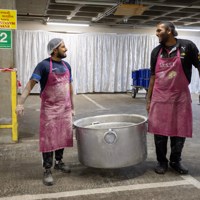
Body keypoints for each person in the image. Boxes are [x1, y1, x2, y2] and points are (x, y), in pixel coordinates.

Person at [16, 38, 74, 186]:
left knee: (62, 136)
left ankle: (59, 162)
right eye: (63, 46)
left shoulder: (67, 65)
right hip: (50, 110)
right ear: (54, 50)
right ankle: (47, 169)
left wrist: (72, 106)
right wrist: (20, 103)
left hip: (65, 108)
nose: (66, 49)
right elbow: (30, 85)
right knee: (48, 140)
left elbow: (70, 88)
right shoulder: (43, 65)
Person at [146, 22, 200, 175]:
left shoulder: (188, 46)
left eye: (159, 30)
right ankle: (162, 162)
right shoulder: (156, 52)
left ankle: (176, 161)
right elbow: (153, 77)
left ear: (169, 31)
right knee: (159, 132)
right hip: (160, 96)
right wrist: (149, 100)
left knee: (179, 130)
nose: (156, 33)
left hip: (180, 97)